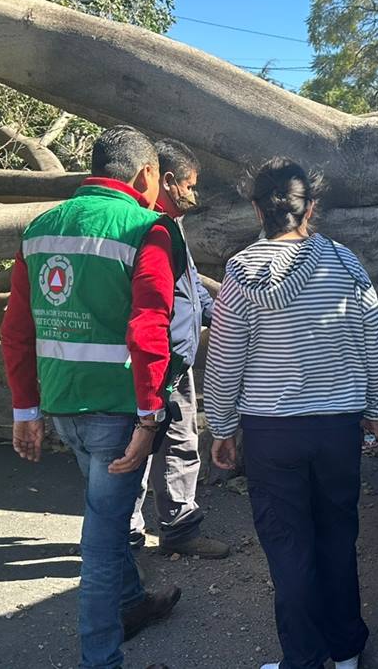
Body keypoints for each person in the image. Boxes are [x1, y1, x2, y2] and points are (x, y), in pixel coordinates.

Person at [0, 125, 191, 669]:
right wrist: (152, 416)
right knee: (104, 545)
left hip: (63, 407)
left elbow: (17, 328)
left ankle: (130, 605)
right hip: (119, 413)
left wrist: (26, 409)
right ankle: (101, 661)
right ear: (146, 174)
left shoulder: (40, 228)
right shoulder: (149, 228)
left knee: (104, 515)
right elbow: (150, 326)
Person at [204, 158, 378, 669]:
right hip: (337, 431)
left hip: (272, 436)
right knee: (337, 538)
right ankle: (347, 649)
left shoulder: (242, 273)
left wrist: (220, 427)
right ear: (310, 205)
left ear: (255, 206)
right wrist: (376, 408)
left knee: (289, 550)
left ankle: (304, 660)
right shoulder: (346, 263)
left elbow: (224, 359)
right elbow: (375, 339)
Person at [128, 138, 230, 560]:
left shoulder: (172, 229)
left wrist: (222, 316)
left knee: (182, 442)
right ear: (167, 181)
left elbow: (189, 288)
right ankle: (128, 535)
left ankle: (179, 529)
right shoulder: (142, 228)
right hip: (152, 362)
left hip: (177, 362)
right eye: (191, 184)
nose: (194, 194)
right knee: (136, 449)